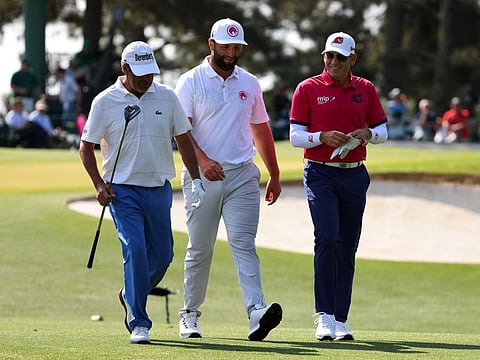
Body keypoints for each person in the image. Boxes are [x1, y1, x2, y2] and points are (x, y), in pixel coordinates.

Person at [79, 41, 205, 345]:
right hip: (122, 192)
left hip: (159, 188)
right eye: (140, 74)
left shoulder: (166, 96)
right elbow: (86, 147)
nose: (147, 79)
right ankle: (138, 321)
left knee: (163, 255)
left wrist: (197, 179)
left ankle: (129, 294)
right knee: (134, 249)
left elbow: (184, 139)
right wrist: (98, 184)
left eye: (150, 72)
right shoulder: (105, 101)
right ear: (125, 69)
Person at [174, 18, 283, 341]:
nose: (232, 52)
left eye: (237, 47)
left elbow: (260, 129)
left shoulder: (249, 83)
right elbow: (181, 131)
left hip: (242, 176)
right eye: (226, 46)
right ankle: (189, 315)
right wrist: (203, 161)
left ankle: (256, 312)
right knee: (200, 248)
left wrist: (275, 174)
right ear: (211, 45)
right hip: (201, 176)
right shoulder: (191, 81)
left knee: (244, 245)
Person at [289, 32, 388, 341]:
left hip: (355, 175)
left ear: (352, 60)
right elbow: (294, 136)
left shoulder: (365, 89)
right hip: (321, 174)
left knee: (347, 245)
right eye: (329, 56)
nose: (333, 62)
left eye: (340, 57)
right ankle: (324, 316)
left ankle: (340, 320)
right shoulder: (308, 88)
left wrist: (369, 134)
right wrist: (321, 137)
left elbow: (383, 129)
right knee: (328, 237)